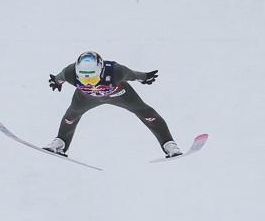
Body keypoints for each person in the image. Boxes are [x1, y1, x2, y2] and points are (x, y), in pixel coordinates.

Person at [44, 51, 182, 157]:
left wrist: (144, 77)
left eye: (92, 78)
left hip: (120, 94)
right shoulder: (70, 72)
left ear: (102, 71)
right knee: (71, 116)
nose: (89, 83)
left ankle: (169, 144)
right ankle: (60, 143)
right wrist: (56, 82)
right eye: (84, 79)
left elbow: (133, 75)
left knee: (145, 112)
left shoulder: (115, 71)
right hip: (86, 98)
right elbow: (59, 78)